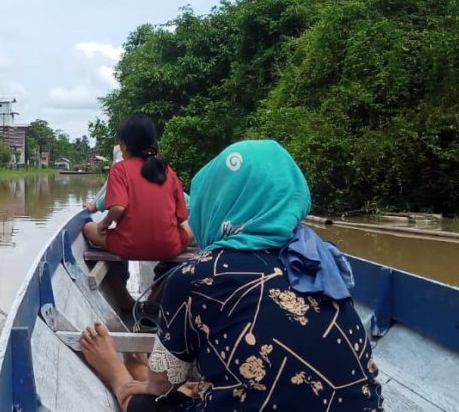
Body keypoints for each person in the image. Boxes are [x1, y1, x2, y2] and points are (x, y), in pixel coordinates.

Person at [81, 140, 383, 411]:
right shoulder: (320, 261)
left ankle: (120, 378)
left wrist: (141, 382)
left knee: (148, 401)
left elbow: (161, 386)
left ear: (216, 200)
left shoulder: (195, 277)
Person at [82, 114, 192, 261]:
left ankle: (119, 276)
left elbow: (118, 207)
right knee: (190, 228)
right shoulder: (167, 170)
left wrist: (104, 223)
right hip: (169, 248)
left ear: (124, 146)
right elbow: (181, 216)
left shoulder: (119, 169)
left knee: (88, 228)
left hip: (128, 247)